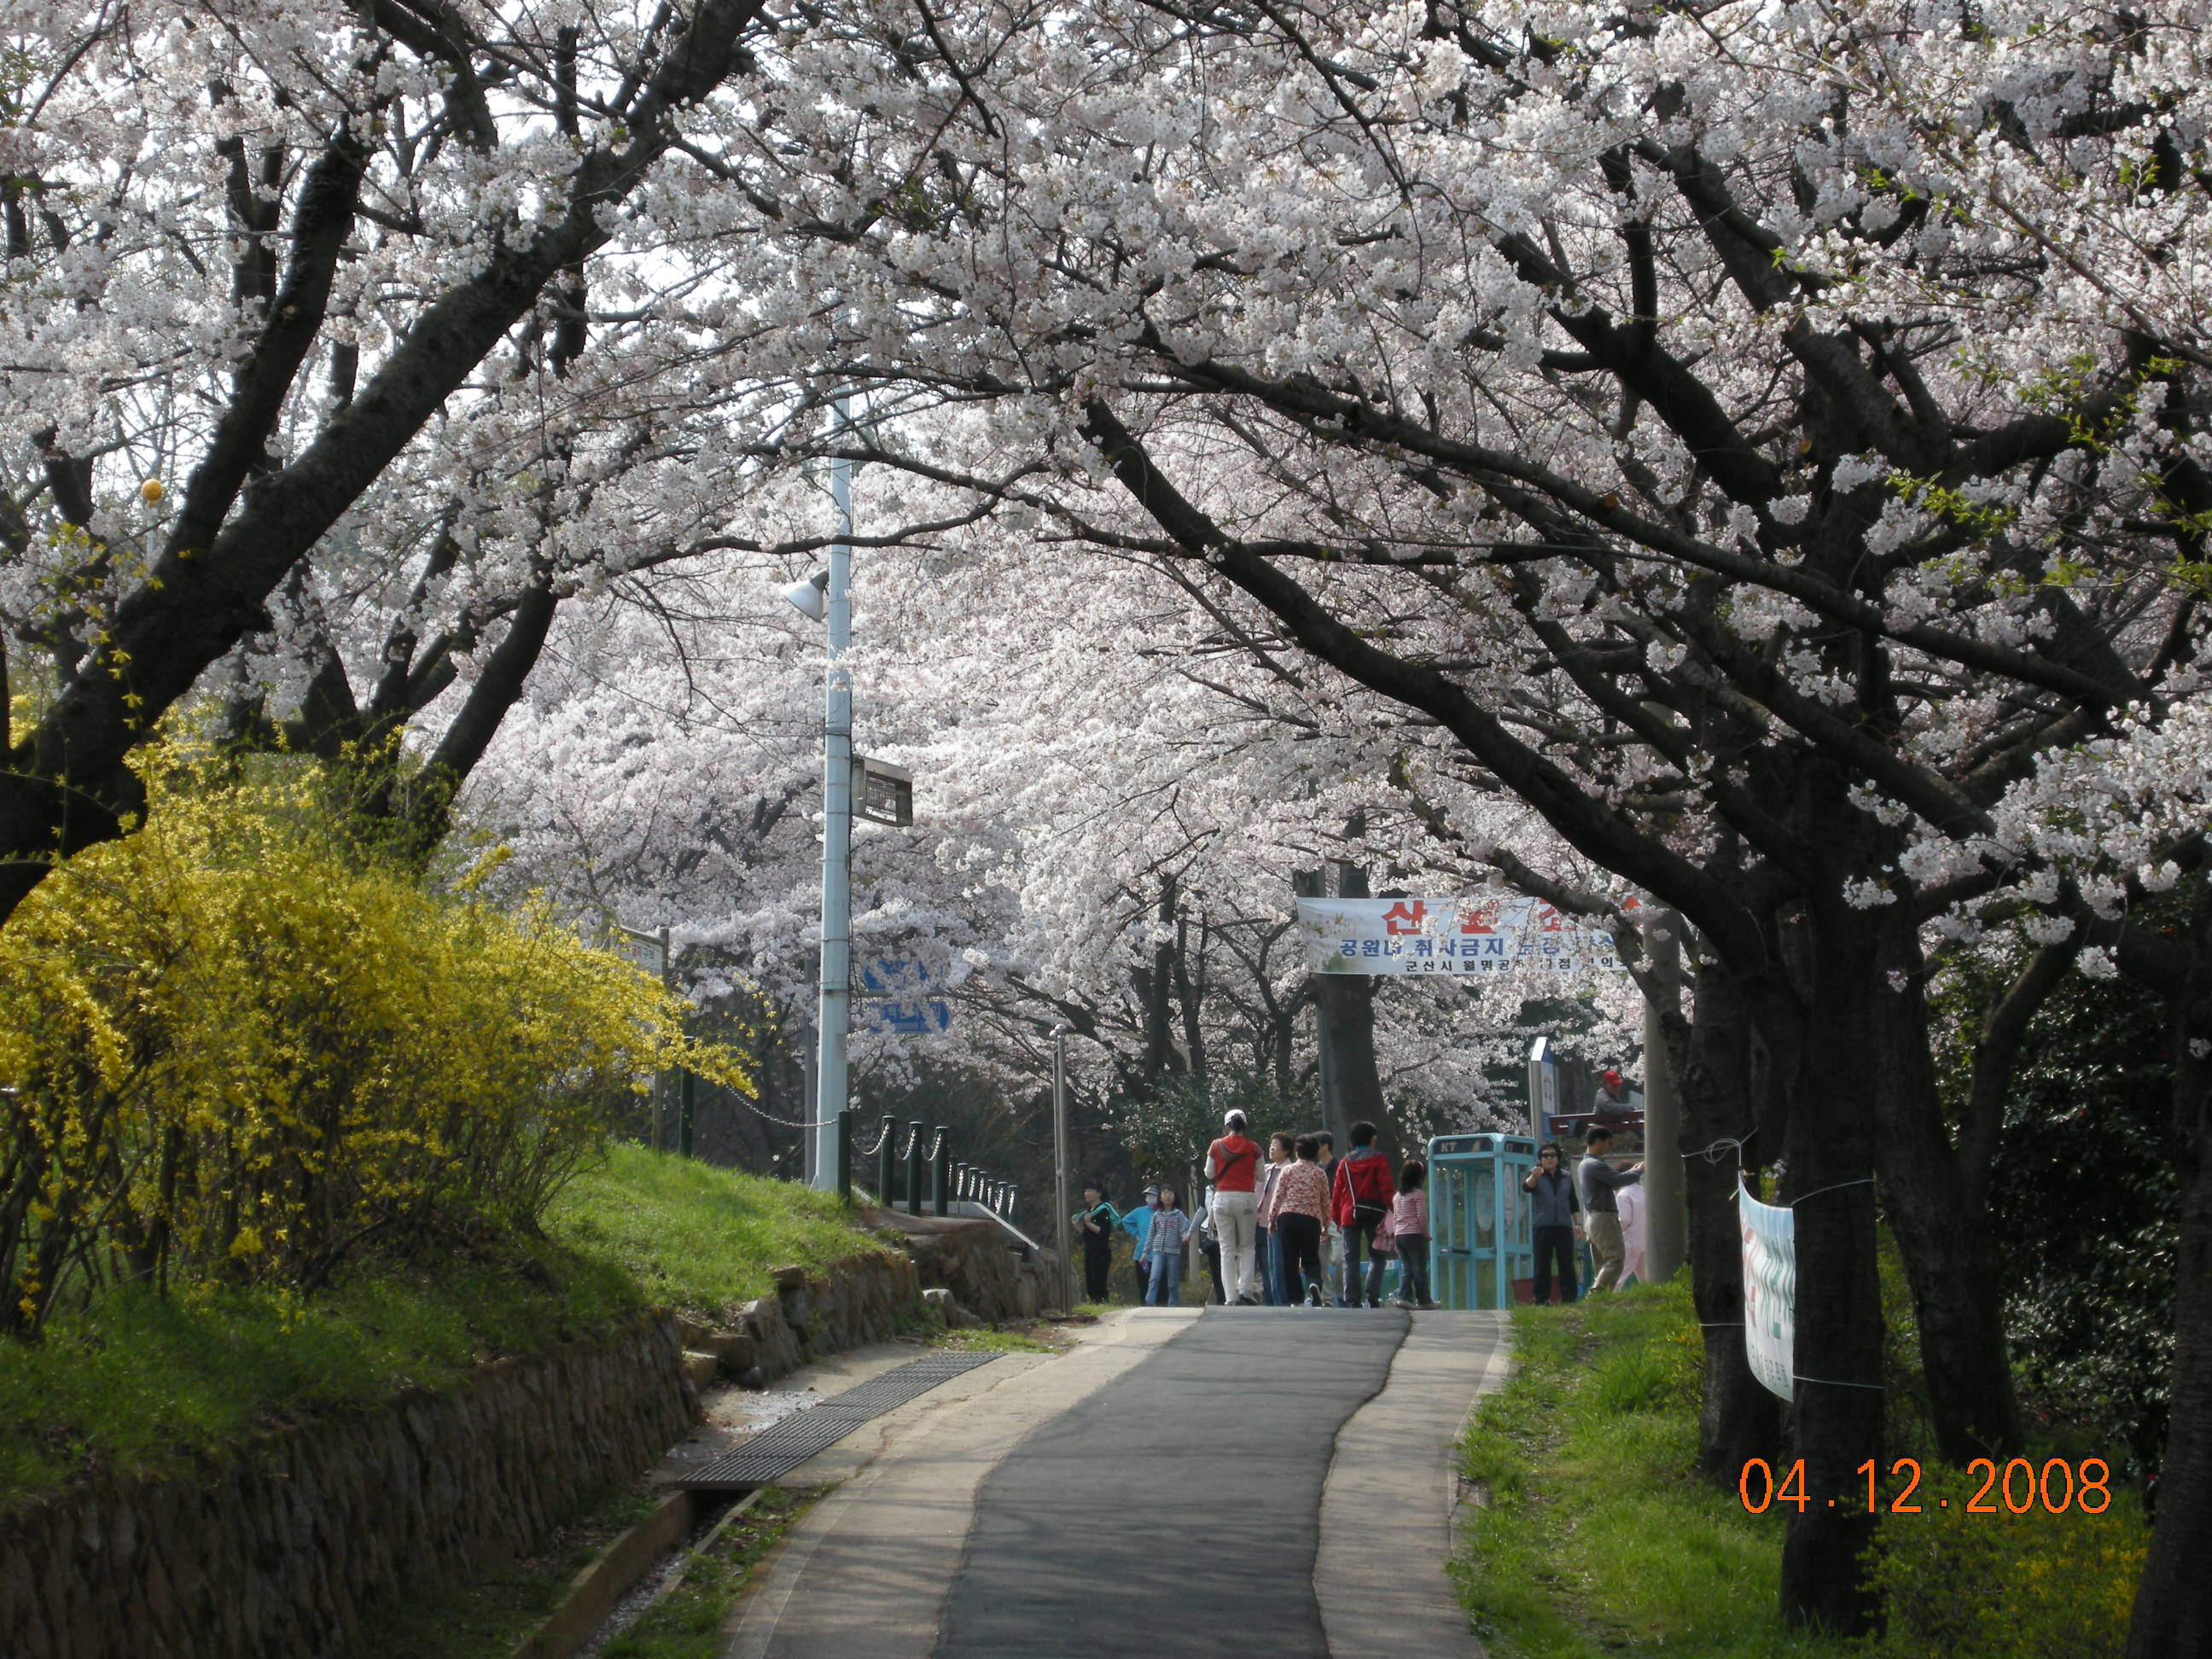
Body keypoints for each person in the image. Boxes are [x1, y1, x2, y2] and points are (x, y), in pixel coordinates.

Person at [1330, 1120, 1395, 1307]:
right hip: (1375, 1214)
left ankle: (1352, 1299)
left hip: (1349, 1214)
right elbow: (1386, 1188)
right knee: (1378, 1256)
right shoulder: (1378, 1159)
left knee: (1351, 1259)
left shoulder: (1344, 1163)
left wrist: (1336, 1219)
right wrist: (1393, 1210)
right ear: (1371, 1139)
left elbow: (1337, 1193)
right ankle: (1373, 1296)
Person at [1261, 1134, 1332, 1306]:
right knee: (1311, 1257)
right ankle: (1314, 1283)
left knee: (1290, 1259)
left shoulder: (1288, 1170)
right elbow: (1325, 1201)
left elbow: (1278, 1197)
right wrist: (1326, 1225)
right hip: (1311, 1219)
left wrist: (1272, 1220)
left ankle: (1296, 1298)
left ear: (1297, 1152)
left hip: (1288, 1218)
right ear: (1315, 1153)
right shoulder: (1320, 1174)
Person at [1205, 1109, 1264, 1303]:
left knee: (1226, 1249)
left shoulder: (1216, 1145)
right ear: (1244, 1125)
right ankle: (1245, 1289)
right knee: (1247, 1246)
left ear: (1226, 1126)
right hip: (1246, 1198)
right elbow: (1262, 1176)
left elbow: (1209, 1173)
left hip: (1222, 1199)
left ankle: (1230, 1297)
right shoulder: (1254, 1148)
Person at [1577, 1126, 1644, 1294]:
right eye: (1608, 1142)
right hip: (1604, 1217)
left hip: (1594, 1217)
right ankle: (1596, 1295)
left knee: (1602, 1263)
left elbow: (1615, 1179)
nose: (1609, 1146)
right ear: (1598, 1141)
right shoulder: (1595, 1164)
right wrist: (1638, 1171)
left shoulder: (1585, 1164)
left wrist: (1632, 1171)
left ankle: (1602, 1298)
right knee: (1616, 1258)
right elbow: (1617, 1180)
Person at [1522, 1143, 1580, 1305]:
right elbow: (1527, 1187)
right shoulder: (1535, 1174)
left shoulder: (1566, 1176)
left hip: (1563, 1225)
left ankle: (1569, 1298)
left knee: (1566, 1263)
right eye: (1545, 1156)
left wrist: (1578, 1224)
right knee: (1542, 1263)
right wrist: (1534, 1177)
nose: (1549, 1158)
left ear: (1558, 1158)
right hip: (1543, 1225)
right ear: (1540, 1159)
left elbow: (1573, 1201)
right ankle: (1541, 1299)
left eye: (1552, 1155)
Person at [1388, 1158, 1435, 1308]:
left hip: (1400, 1236)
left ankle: (1405, 1298)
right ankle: (1424, 1300)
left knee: (1407, 1268)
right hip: (1414, 1235)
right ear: (1418, 1178)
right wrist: (1425, 1233)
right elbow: (1421, 1216)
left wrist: (1395, 1237)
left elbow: (1395, 1218)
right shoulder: (1417, 1194)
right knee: (1419, 1269)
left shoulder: (1397, 1196)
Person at [1255, 1131, 1294, 1304]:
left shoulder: (1289, 1171)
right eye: (1271, 1145)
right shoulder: (1266, 1169)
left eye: (1276, 1146)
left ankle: (1278, 1301)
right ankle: (1268, 1299)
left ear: (1286, 1151)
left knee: (1275, 1263)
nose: (1271, 1148)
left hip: (1276, 1223)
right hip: (1258, 1221)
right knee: (1263, 1264)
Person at [1144, 1185, 1191, 1305]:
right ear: (1160, 1198)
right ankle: (1149, 1303)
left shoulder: (1179, 1215)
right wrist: (1145, 1252)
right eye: (1165, 1194)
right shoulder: (1156, 1215)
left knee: (1172, 1282)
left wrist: (1185, 1237)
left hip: (1173, 1252)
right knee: (1154, 1278)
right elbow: (1150, 1234)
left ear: (1174, 1197)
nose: (1168, 1196)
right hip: (1158, 1252)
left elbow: (1184, 1229)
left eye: (1170, 1194)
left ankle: (1173, 1305)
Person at [1075, 1184, 1119, 1304]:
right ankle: (1094, 1301)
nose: (1086, 1194)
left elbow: (1104, 1232)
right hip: (1089, 1248)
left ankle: (1102, 1301)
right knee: (1090, 1278)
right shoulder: (1088, 1211)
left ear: (1099, 1193)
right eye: (1085, 1191)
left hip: (1100, 1250)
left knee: (1099, 1279)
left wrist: (1089, 1224)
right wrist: (1078, 1226)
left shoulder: (1103, 1209)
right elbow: (1086, 1235)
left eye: (1090, 1191)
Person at [1313, 1130, 1340, 1303]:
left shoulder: (1339, 1168)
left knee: (1340, 1259)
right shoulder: (1315, 1170)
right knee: (1320, 1259)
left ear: (1325, 1146)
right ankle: (1328, 1298)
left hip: (1336, 1219)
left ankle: (1342, 1294)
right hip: (1318, 1219)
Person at [1122, 1185, 1159, 1301]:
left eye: (1154, 1196)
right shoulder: (1139, 1211)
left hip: (1160, 1254)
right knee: (1144, 1285)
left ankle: (1162, 1307)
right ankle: (1144, 1306)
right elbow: (1125, 1221)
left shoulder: (1164, 1212)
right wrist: (1136, 1234)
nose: (1151, 1198)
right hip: (1142, 1253)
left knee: (1160, 1285)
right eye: (1149, 1195)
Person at [1195, 1185, 1227, 1303]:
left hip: (1227, 1231)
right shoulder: (1208, 1190)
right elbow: (1201, 1211)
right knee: (1215, 1269)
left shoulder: (1228, 1186)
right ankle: (1220, 1297)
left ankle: (1228, 1296)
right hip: (1211, 1233)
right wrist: (1189, 1232)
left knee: (1226, 1266)